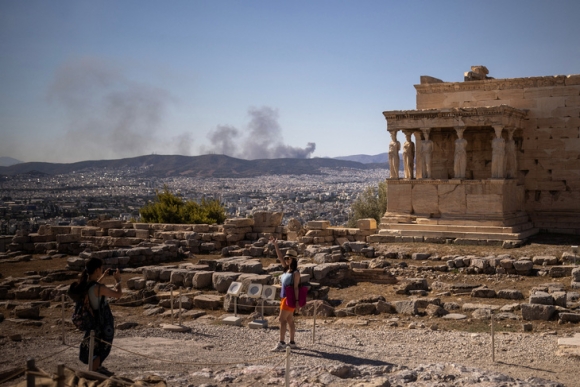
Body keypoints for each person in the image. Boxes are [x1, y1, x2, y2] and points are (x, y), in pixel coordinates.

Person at [75, 257, 123, 375]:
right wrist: (118, 280)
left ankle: (96, 369)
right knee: (102, 348)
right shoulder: (99, 288)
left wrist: (103, 277)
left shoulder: (87, 285)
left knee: (95, 346)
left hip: (93, 321)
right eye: (101, 269)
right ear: (97, 269)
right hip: (102, 322)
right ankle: (93, 372)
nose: (102, 270)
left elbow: (94, 285)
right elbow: (118, 294)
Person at [270, 237, 301, 351]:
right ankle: (292, 342)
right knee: (289, 320)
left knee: (281, 319)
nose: (287, 260)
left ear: (294, 259)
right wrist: (276, 245)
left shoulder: (296, 273)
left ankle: (281, 343)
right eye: (286, 258)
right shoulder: (286, 270)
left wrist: (297, 302)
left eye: (289, 258)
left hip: (289, 298)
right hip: (284, 297)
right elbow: (279, 257)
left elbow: (296, 288)